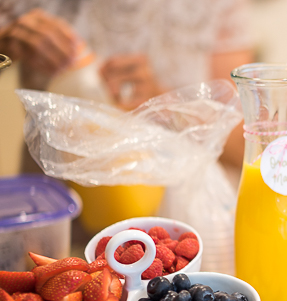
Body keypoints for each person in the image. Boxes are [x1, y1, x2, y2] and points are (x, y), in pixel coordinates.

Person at [0, 0, 254, 173]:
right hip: (55, 206)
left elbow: (242, 149)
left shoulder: (217, 7)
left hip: (172, 221)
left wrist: (162, 102)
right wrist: (5, 44)